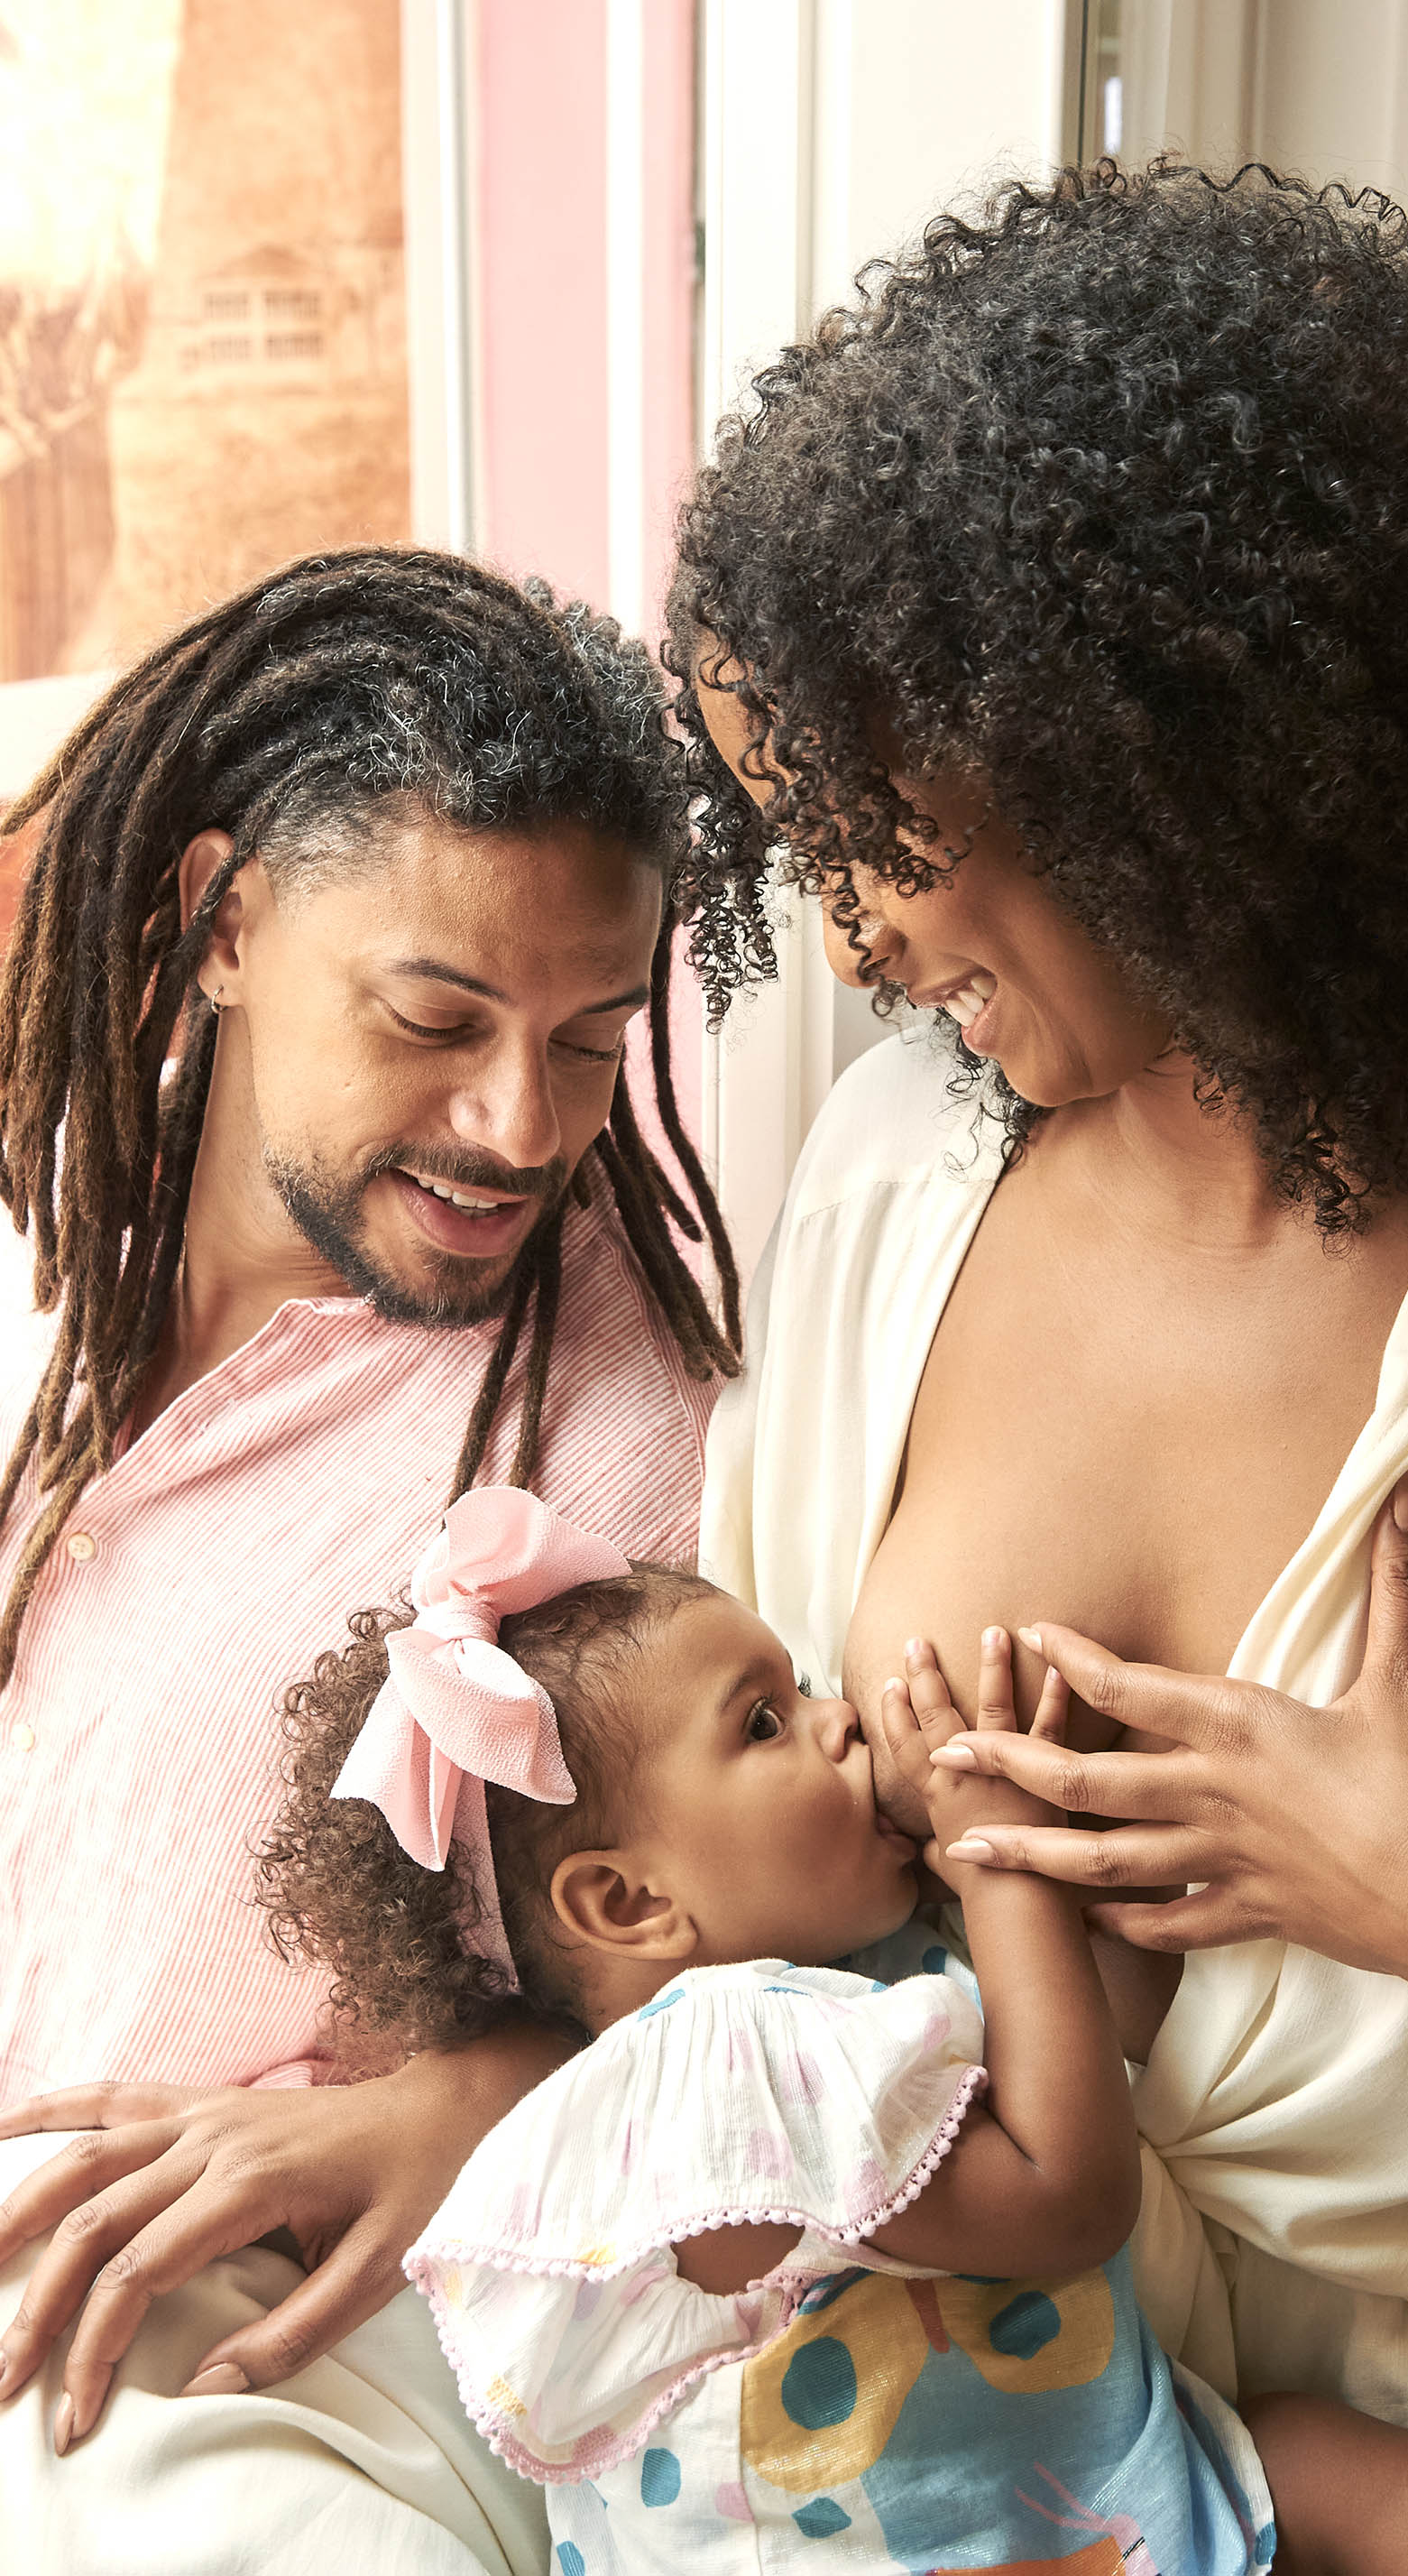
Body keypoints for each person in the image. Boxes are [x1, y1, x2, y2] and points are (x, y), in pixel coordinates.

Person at [670, 164, 1408, 2510]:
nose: (839, 938)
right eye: (791, 840)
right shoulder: (888, 1184)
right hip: (961, 2430)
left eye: (880, 830)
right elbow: (697, 1880)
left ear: (1159, 755)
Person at [256, 1482, 1408, 2573]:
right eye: (763, 1723)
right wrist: (997, 1856)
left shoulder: (797, 2020)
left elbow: (1090, 2057)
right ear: (630, 1905)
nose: (837, 1722)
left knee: (1303, 2461)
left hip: (1053, 2500)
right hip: (996, 2542)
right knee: (1317, 2466)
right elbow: (1069, 2192)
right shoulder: (723, 2068)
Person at [0, 548, 738, 2572]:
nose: (519, 1122)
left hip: (242, 2375)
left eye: (593, 1037)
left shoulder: (624, 1443)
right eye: (435, 1017)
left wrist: (480, 2084)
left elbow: (781, 1937)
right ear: (219, 920)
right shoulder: (45, 1225)